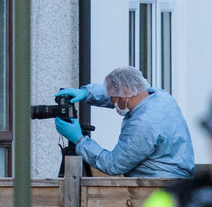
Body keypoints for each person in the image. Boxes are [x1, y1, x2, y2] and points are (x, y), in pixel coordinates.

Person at [54, 66, 194, 177]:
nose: (112, 102)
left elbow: (113, 164)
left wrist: (79, 141)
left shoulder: (142, 124)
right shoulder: (159, 96)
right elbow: (116, 93)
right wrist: (87, 93)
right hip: (175, 174)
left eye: (113, 97)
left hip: (156, 185)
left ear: (126, 92)